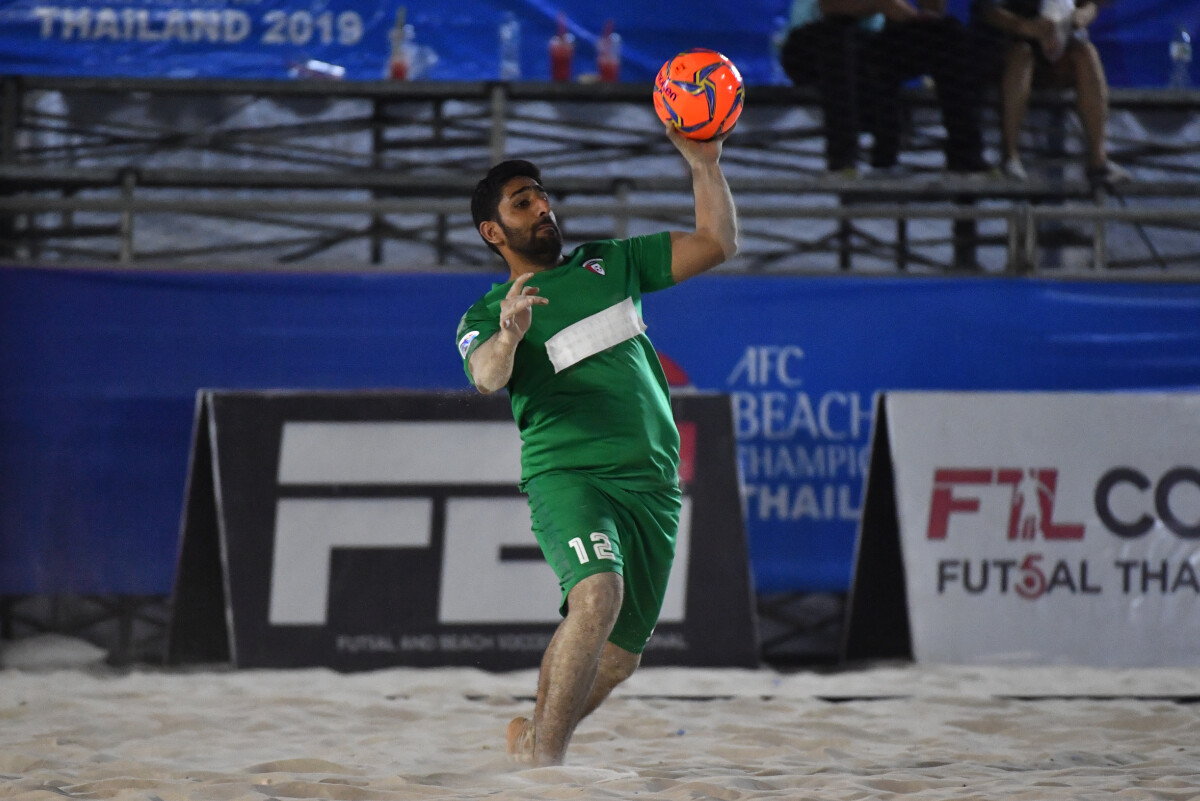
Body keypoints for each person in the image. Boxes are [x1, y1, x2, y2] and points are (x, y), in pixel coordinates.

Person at [454, 126, 738, 767]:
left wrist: (704, 163)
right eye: (522, 203)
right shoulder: (488, 313)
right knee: (598, 595)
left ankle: (534, 740)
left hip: (653, 484)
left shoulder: (608, 263)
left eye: (541, 195)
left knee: (618, 659)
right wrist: (510, 335)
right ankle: (547, 772)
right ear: (493, 232)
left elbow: (717, 242)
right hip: (571, 475)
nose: (542, 207)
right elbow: (487, 377)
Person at [779, 0, 989, 176]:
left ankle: (965, 159)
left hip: (868, 44)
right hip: (811, 42)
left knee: (947, 31)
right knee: (839, 33)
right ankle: (842, 162)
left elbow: (931, 12)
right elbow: (832, 6)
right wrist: (884, 4)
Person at [972, 0, 1130, 185]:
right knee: (1022, 53)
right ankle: (1009, 158)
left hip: (1057, 49)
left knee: (1086, 53)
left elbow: (1092, 4)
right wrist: (1025, 27)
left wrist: (1084, 14)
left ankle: (1098, 162)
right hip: (1007, 51)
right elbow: (989, 11)